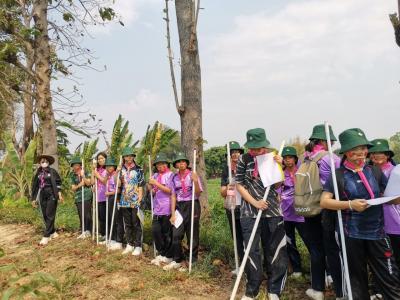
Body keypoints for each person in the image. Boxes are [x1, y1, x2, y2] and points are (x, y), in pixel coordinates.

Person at [321, 128, 400, 300]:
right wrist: (350, 204)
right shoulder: (338, 175)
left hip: (378, 232)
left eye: (363, 152)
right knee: (357, 279)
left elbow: (387, 198)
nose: (360, 156)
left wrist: (396, 198)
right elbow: (324, 201)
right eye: (355, 153)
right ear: (346, 154)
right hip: (352, 234)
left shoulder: (375, 171)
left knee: (389, 275)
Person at [235, 128, 288, 300]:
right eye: (253, 148)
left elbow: (279, 185)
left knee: (275, 249)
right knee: (251, 249)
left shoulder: (273, 156)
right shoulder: (244, 159)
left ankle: (274, 289)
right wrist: (255, 202)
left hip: (272, 210)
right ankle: (252, 289)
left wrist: (280, 166)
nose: (256, 151)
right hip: (249, 211)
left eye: (259, 148)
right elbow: (240, 185)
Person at [301, 124, 343, 300]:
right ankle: (341, 290)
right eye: (331, 141)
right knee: (333, 249)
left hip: (310, 208)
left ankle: (317, 289)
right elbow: (340, 180)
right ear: (326, 141)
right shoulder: (331, 159)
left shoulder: (304, 159)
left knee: (316, 249)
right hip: (328, 208)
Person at [164, 152, 203, 271]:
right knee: (176, 234)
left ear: (186, 163)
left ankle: (192, 261)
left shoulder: (193, 174)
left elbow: (198, 193)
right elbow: (173, 196)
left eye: (183, 162)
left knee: (192, 234)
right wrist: (172, 214)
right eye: (179, 162)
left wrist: (195, 181)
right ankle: (177, 259)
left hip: (192, 204)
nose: (181, 164)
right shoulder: (174, 177)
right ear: (176, 165)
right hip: (180, 207)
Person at [368, 139, 399, 268]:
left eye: (381, 152)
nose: (376, 155)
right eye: (373, 152)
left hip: (394, 220)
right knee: (380, 258)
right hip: (374, 222)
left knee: (396, 255)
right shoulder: (366, 172)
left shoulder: (396, 171)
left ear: (388, 155)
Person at [279, 146, 309, 277]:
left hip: (302, 214)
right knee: (290, 243)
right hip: (286, 215)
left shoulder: (302, 171)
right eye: (285, 158)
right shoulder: (280, 174)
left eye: (290, 157)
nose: (287, 160)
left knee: (309, 241)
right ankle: (297, 268)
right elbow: (277, 192)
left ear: (295, 159)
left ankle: (319, 268)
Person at [220, 141, 245, 274]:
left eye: (237, 152)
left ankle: (251, 265)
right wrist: (229, 186)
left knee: (247, 236)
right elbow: (222, 192)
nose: (235, 154)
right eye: (232, 153)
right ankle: (240, 264)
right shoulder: (226, 170)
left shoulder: (246, 168)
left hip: (245, 207)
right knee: (237, 237)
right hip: (232, 207)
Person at [31, 154, 63, 245]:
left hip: (52, 193)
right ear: (40, 163)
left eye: (46, 161)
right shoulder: (38, 173)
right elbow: (35, 187)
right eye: (42, 162)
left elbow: (58, 183)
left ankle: (46, 236)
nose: (44, 163)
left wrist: (59, 194)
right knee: (45, 214)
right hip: (42, 194)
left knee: (50, 214)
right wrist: (33, 199)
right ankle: (52, 232)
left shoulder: (53, 172)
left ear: (48, 163)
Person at [149, 153, 174, 266]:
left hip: (167, 208)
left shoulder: (171, 175)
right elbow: (152, 190)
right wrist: (150, 186)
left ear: (166, 164)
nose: (160, 166)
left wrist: (156, 184)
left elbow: (169, 191)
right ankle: (161, 253)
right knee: (155, 231)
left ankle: (168, 255)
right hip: (157, 208)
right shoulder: (154, 175)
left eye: (162, 164)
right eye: (158, 165)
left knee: (167, 234)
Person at [119, 147, 145, 256]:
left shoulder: (139, 169)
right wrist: (117, 173)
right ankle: (130, 244)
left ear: (133, 157)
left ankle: (138, 245)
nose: (128, 158)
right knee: (127, 223)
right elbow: (120, 185)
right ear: (124, 158)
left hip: (135, 200)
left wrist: (139, 198)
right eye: (126, 156)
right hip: (124, 200)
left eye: (130, 156)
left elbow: (141, 185)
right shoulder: (121, 169)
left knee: (136, 223)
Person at [70, 156, 92, 239]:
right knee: (81, 214)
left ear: (80, 165)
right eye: (74, 165)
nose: (76, 167)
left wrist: (83, 177)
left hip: (86, 195)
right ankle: (83, 230)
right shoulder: (72, 175)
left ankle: (88, 230)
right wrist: (80, 185)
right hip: (78, 197)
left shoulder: (86, 172)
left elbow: (89, 183)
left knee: (87, 214)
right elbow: (73, 188)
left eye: (77, 165)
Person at [92, 152, 108, 241]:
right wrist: (93, 170)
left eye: (102, 158)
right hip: (99, 196)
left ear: (106, 159)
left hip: (106, 195)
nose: (100, 160)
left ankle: (108, 233)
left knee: (106, 216)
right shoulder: (97, 169)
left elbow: (105, 182)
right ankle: (103, 233)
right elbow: (92, 181)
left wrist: (97, 175)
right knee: (101, 217)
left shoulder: (108, 169)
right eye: (99, 159)